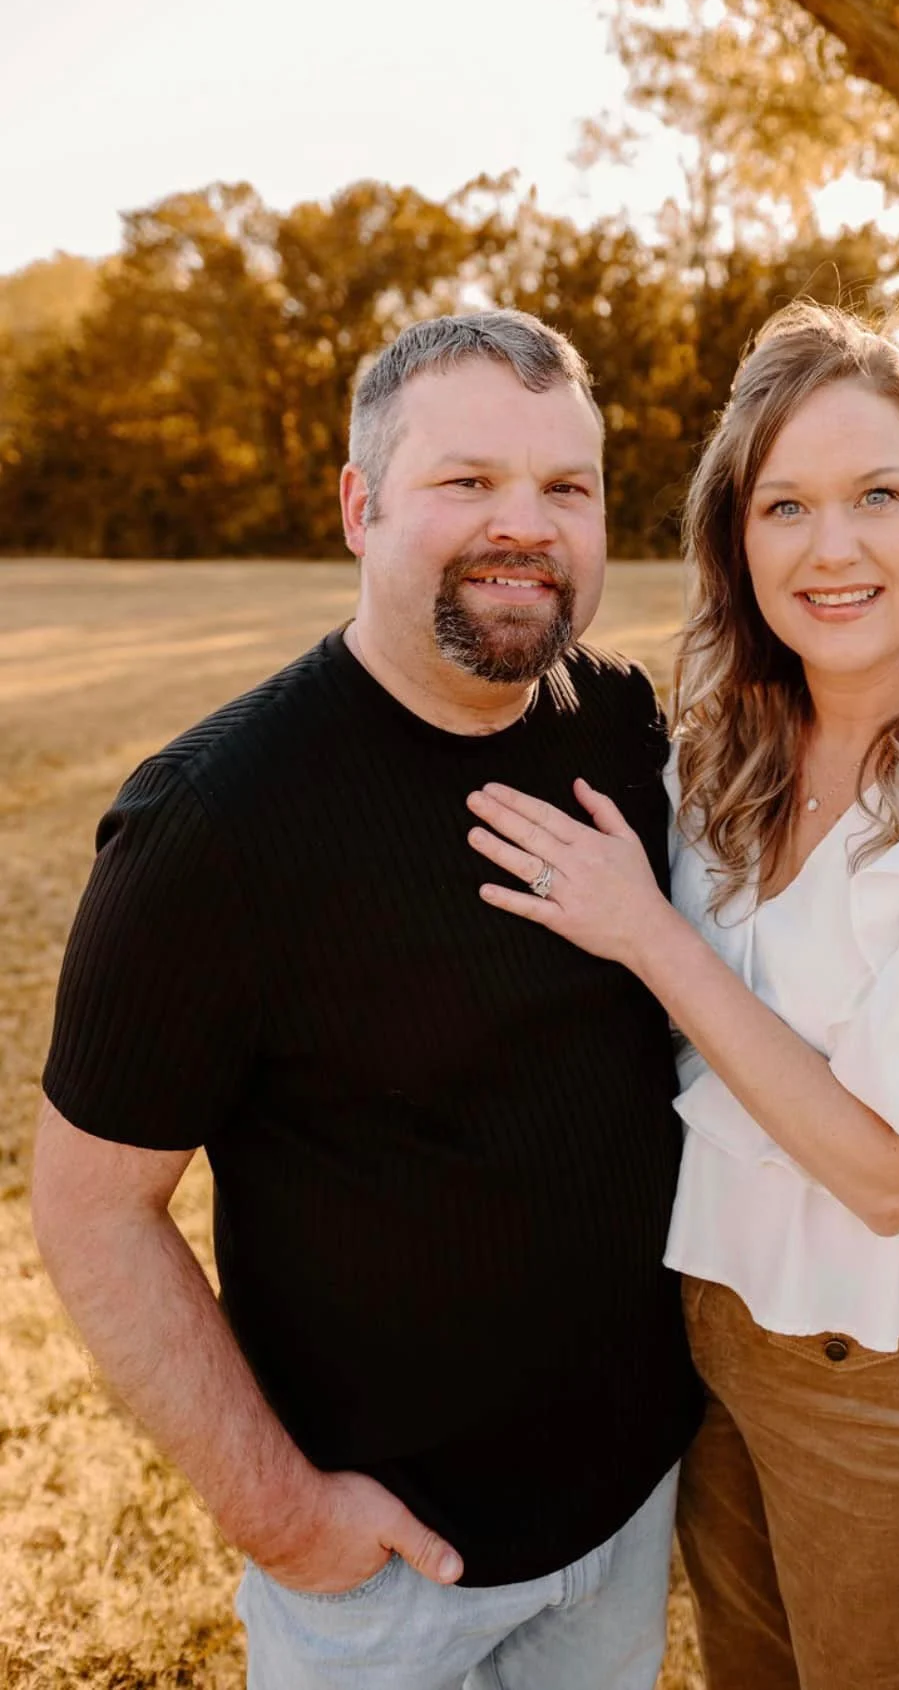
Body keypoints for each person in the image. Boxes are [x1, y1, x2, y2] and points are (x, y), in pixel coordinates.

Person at [464, 302, 899, 1690]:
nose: (828, 546)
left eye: (876, 496)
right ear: (737, 537)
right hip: (711, 1334)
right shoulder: (726, 755)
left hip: (894, 1372)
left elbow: (891, 1169)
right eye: (782, 504)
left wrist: (648, 933)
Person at [31, 309, 702, 1690]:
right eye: (468, 481)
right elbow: (91, 1206)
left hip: (626, 1515)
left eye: (566, 488)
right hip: (383, 1581)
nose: (526, 525)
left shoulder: (622, 728)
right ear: (359, 502)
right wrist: (283, 1512)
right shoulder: (212, 823)